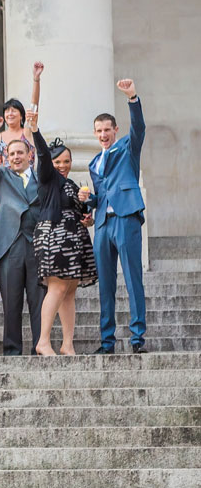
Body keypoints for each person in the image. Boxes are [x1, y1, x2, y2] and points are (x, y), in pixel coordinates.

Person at [81, 78, 147, 354]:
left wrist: (132, 97)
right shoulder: (94, 162)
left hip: (127, 218)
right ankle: (107, 341)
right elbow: (101, 195)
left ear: (115, 130)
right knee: (105, 286)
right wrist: (88, 203)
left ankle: (137, 339)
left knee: (133, 279)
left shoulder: (127, 148)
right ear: (95, 133)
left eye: (108, 129)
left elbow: (139, 128)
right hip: (103, 225)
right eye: (99, 130)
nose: (103, 134)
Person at [27, 111, 97, 356]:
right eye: (59, 162)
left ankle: (68, 344)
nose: (63, 166)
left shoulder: (72, 185)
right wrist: (35, 130)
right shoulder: (47, 178)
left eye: (67, 161)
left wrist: (87, 215)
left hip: (74, 238)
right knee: (56, 288)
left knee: (69, 291)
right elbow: (44, 155)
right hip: (53, 236)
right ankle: (43, 341)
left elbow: (82, 216)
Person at [0, 111, 43, 356]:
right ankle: (12, 350)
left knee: (39, 301)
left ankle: (41, 345)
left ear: (30, 155)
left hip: (37, 245)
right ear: (6, 158)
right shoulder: (1, 176)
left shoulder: (42, 179)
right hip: (10, 247)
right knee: (12, 302)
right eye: (12, 154)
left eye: (20, 153)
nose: (16, 157)